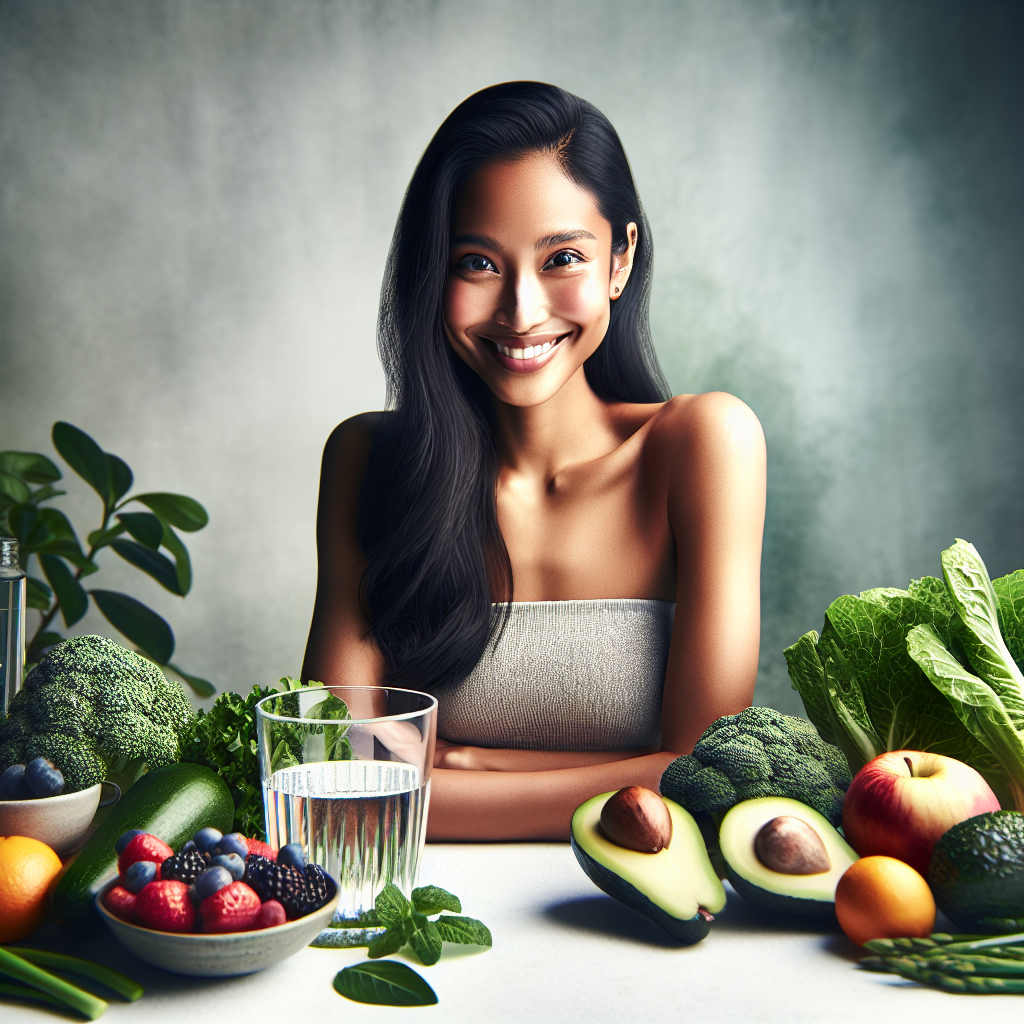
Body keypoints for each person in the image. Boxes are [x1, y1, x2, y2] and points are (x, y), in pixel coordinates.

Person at [302, 82, 765, 841]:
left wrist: (465, 766)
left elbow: (699, 776)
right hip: (416, 899)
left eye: (563, 258)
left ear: (620, 260)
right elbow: (333, 774)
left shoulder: (704, 444)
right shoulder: (368, 459)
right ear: (431, 273)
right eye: (478, 263)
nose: (521, 311)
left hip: (625, 900)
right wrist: (624, 773)